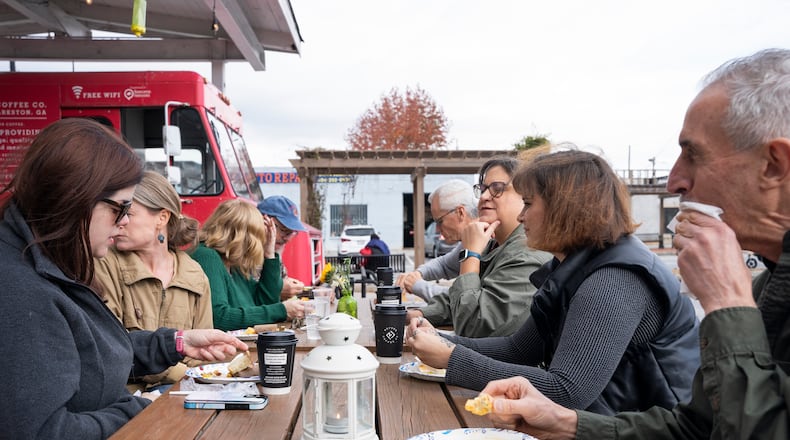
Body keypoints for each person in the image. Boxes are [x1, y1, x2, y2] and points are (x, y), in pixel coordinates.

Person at [476, 49, 790, 439]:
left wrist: (728, 305)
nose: (674, 180)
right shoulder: (770, 284)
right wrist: (569, 425)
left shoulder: (618, 276)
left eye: (693, 155)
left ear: (775, 165)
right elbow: (696, 429)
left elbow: (565, 386)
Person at [0, 118, 249, 438]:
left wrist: (174, 343)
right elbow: (44, 431)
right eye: (120, 208)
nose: (123, 222)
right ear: (77, 198)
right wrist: (138, 408)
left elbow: (90, 356)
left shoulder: (46, 264)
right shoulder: (20, 291)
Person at [409, 146, 701, 415]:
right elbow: (518, 350)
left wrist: (452, 359)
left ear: (564, 207)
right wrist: (441, 340)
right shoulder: (573, 266)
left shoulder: (615, 277)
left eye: (528, 204)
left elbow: (566, 391)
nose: (521, 216)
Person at [94, 171, 213, 392]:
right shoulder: (104, 263)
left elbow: (203, 358)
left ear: (162, 218)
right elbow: (110, 348)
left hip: (182, 395)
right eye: (117, 212)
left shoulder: (195, 275)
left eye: (128, 212)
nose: (120, 222)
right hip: (123, 399)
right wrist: (179, 372)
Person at [407, 157, 552, 337]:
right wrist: (419, 314)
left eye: (497, 189)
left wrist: (470, 254)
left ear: (525, 196)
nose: (483, 197)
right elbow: (457, 297)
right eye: (482, 189)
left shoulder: (527, 254)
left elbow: (473, 327)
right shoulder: (494, 244)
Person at [191, 199, 304, 331]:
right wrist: (281, 310)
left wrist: (269, 255)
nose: (262, 240)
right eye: (259, 235)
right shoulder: (207, 256)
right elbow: (219, 317)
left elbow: (264, 302)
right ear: (241, 235)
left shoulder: (233, 262)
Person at [397, 179, 478, 300]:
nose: (438, 229)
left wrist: (418, 286)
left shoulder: (490, 241)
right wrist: (418, 274)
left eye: (440, 221)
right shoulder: (470, 240)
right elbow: (444, 265)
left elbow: (465, 301)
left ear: (460, 212)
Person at [257, 195, 307, 300]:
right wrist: (278, 291)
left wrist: (312, 293)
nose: (287, 238)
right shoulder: (244, 255)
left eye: (292, 233)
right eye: (284, 230)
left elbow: (282, 281)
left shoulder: (275, 251)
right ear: (263, 222)